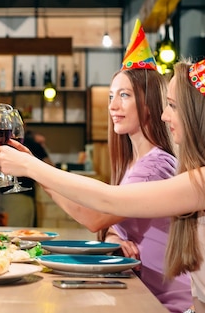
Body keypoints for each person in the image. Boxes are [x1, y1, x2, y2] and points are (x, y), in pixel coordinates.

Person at [0, 35, 205, 312]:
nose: (165, 116)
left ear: (201, 117)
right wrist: (115, 237)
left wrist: (32, 167)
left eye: (174, 106)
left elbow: (108, 202)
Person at [42, 21, 191, 312]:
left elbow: (94, 216)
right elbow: (115, 224)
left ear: (149, 103)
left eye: (124, 95)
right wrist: (114, 235)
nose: (112, 106)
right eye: (112, 96)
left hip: (168, 303)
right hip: (142, 291)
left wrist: (37, 172)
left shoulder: (156, 166)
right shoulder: (134, 165)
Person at [0, 112, 53, 227]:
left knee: (9, 235)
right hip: (21, 198)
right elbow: (50, 167)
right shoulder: (30, 143)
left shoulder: (3, 144)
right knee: (16, 236)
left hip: (8, 197)